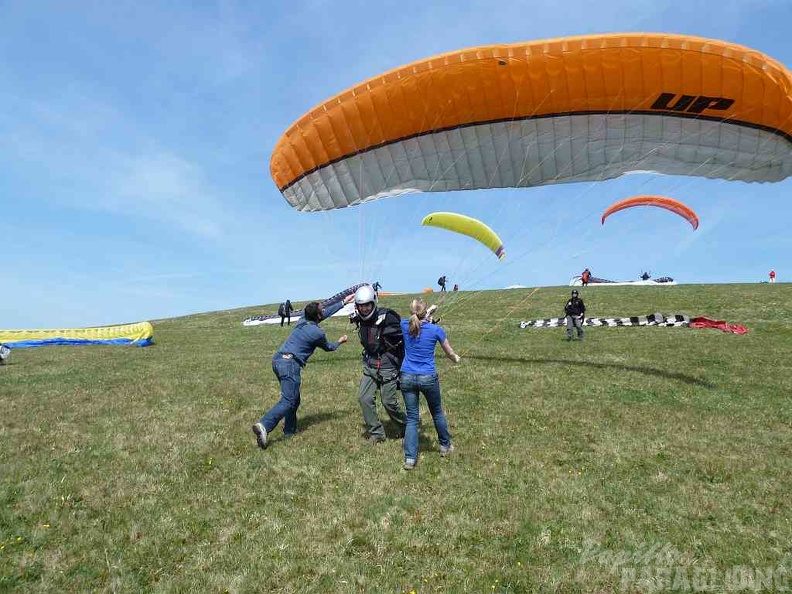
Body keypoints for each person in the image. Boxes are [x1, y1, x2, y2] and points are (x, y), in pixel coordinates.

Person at [252, 294, 354, 449]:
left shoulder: (302, 321)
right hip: (290, 364)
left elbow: (323, 314)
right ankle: (264, 425)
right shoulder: (317, 333)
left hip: (278, 360)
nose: (324, 310)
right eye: (322, 310)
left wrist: (343, 302)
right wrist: (340, 342)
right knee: (288, 401)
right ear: (318, 315)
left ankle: (290, 431)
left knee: (294, 399)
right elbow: (328, 348)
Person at [399, 298, 461, 470]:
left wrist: (427, 313)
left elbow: (415, 319)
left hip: (407, 376)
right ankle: (445, 446)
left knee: (412, 418)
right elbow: (449, 352)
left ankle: (410, 459)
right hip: (428, 377)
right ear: (425, 312)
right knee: (437, 412)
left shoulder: (405, 325)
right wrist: (455, 358)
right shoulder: (436, 330)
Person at [351, 285, 407, 444]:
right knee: (364, 398)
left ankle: (407, 426)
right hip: (370, 364)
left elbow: (405, 332)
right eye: (361, 306)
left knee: (388, 402)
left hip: (387, 365)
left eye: (367, 305)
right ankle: (377, 433)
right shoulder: (360, 319)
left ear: (373, 303)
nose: (364, 309)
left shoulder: (388, 317)